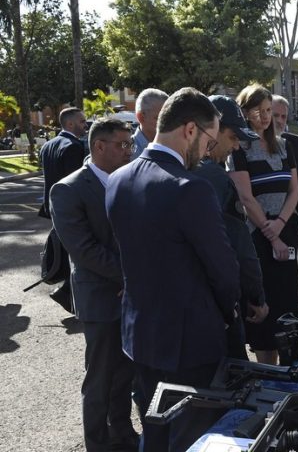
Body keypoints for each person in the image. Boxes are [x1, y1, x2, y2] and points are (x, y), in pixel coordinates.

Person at [105, 87, 241, 451]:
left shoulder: (117, 180)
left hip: (140, 337)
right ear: (191, 129)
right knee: (192, 440)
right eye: (209, 142)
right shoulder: (191, 188)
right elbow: (223, 270)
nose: (209, 152)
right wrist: (228, 314)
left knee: (154, 433)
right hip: (190, 344)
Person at [49, 118, 138, 452]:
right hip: (100, 297)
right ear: (99, 146)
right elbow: (84, 250)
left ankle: (123, 433)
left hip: (129, 295)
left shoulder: (128, 181)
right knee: (100, 377)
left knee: (125, 373)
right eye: (123, 144)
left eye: (130, 144)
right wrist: (129, 277)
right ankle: (97, 444)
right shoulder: (68, 189)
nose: (130, 151)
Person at [228, 84, 298, 365]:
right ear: (245, 112)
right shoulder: (238, 149)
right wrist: (271, 235)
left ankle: (291, 374)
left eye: (269, 110)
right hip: (258, 240)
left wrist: (280, 224)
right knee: (265, 315)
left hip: (284, 234)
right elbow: (246, 196)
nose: (265, 116)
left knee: (288, 311)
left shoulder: (284, 146)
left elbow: (294, 190)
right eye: (258, 110)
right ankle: (267, 374)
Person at [194, 95, 269, 359]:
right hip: (216, 307)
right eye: (232, 137)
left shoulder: (173, 168)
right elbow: (239, 247)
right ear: (212, 130)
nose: (236, 146)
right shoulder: (216, 177)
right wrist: (256, 297)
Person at [39, 106, 88, 313]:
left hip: (52, 206)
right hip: (70, 208)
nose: (85, 125)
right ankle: (67, 293)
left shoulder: (48, 145)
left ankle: (68, 294)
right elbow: (75, 182)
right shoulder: (73, 146)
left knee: (67, 250)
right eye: (82, 121)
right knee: (76, 253)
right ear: (70, 123)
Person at [272, 95, 298, 230]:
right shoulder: (252, 146)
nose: (279, 120)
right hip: (263, 223)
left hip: (292, 222)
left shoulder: (295, 143)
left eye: (283, 116)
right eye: (275, 115)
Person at [132, 88, 168, 160]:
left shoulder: (174, 147)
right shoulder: (126, 152)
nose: (167, 122)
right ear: (141, 117)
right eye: (161, 118)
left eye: (170, 117)